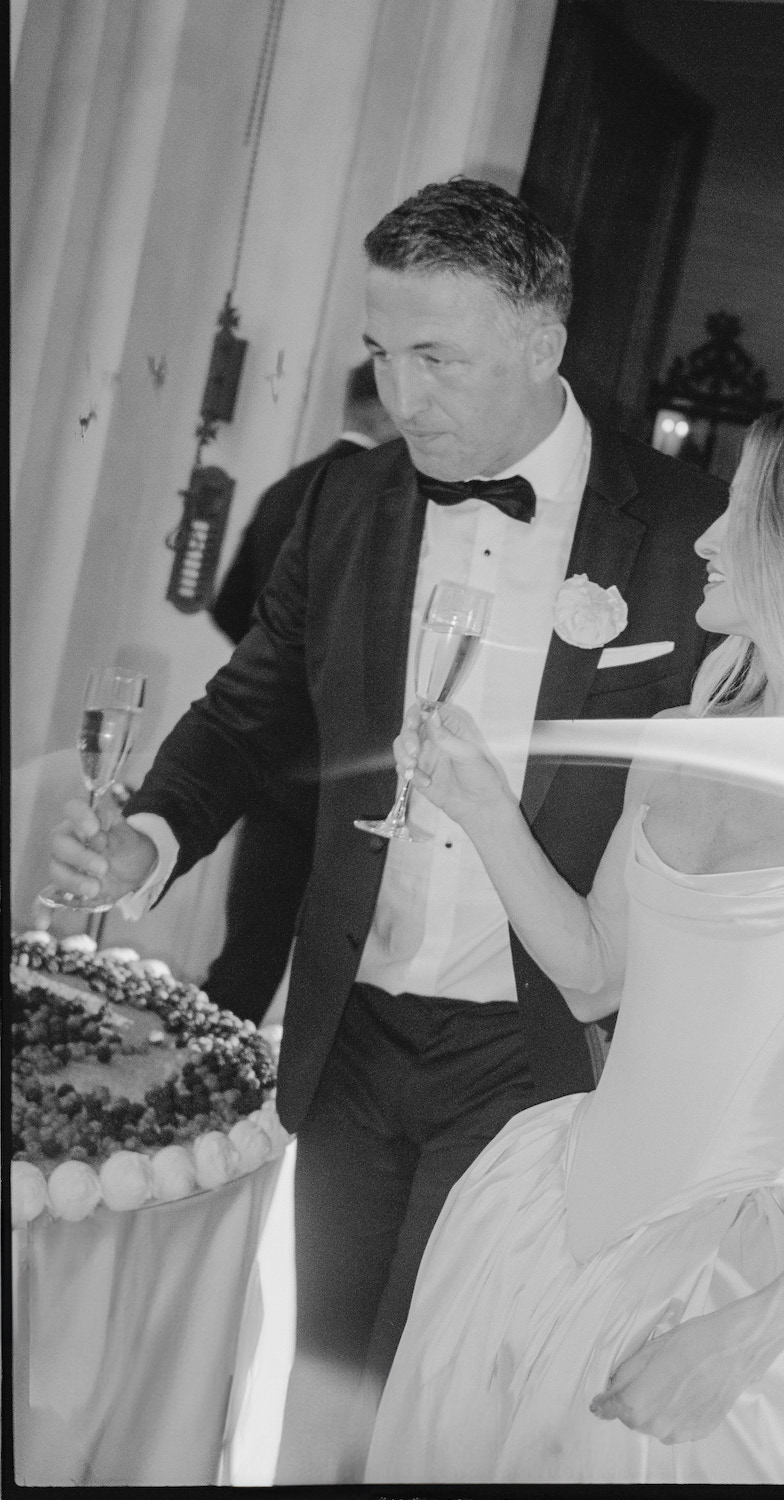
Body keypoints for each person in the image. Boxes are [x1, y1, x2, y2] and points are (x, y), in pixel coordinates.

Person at [45, 178, 726, 1482]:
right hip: (352, 1028)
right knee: (320, 1387)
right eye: (381, 354)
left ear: (542, 341)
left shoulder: (686, 536)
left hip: (537, 1051)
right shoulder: (346, 504)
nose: (401, 396)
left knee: (442, 1407)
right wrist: (150, 836)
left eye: (437, 357)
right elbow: (249, 710)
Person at [363, 397, 784, 1483]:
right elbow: (594, 975)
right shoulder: (678, 741)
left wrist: (741, 1336)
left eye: (740, 511)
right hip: (546, 1223)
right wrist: (486, 811)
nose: (704, 538)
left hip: (730, 1276)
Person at [202, 360, 399, 1024]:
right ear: (386, 406)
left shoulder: (287, 488)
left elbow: (229, 606)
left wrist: (278, 677)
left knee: (248, 956)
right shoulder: (383, 499)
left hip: (272, 756)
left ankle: (207, 1073)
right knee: (345, 970)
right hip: (347, 768)